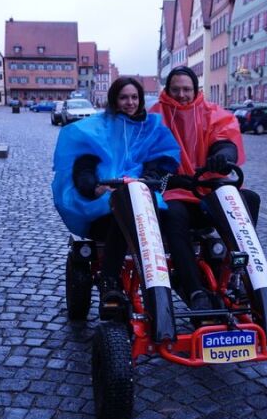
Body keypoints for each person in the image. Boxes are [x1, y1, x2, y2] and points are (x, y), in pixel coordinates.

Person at [52, 77, 181, 318]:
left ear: (140, 100)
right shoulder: (97, 128)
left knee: (160, 215)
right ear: (114, 99)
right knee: (120, 215)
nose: (130, 102)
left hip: (140, 199)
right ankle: (109, 280)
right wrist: (95, 188)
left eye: (134, 97)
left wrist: (149, 177)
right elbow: (83, 168)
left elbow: (157, 164)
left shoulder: (150, 128)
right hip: (104, 207)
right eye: (124, 97)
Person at [149, 66, 261, 311]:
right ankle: (195, 289)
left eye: (186, 89)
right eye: (176, 89)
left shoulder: (211, 113)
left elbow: (224, 140)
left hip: (206, 190)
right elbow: (148, 155)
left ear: (196, 90)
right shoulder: (156, 117)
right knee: (174, 214)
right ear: (167, 90)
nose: (181, 95)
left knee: (249, 199)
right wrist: (168, 177)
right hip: (174, 191)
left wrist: (222, 156)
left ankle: (234, 272)